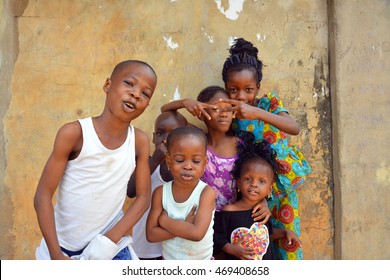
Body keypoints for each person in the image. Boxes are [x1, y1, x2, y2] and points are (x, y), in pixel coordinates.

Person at [33, 60, 157, 260]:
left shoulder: (139, 141)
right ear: (108, 85)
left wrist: (108, 241)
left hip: (110, 248)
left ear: (147, 105)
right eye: (129, 84)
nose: (136, 94)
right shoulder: (75, 134)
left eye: (145, 93)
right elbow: (43, 196)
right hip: (60, 247)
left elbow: (143, 198)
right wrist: (56, 255)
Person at [219, 37, 312, 260]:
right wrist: (260, 198)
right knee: (260, 240)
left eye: (248, 89)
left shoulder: (268, 104)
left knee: (288, 239)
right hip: (256, 188)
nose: (241, 97)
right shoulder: (228, 116)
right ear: (225, 88)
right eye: (233, 90)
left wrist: (257, 113)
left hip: (282, 185)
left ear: (258, 88)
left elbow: (294, 128)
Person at [160, 86, 271, 218]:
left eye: (228, 108)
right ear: (201, 114)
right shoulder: (197, 142)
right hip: (199, 217)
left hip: (231, 218)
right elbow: (165, 112)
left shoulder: (241, 145)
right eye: (215, 108)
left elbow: (255, 178)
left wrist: (263, 201)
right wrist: (185, 102)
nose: (224, 114)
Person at [213, 132, 301, 260]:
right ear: (238, 182)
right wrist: (232, 249)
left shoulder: (263, 212)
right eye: (248, 179)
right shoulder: (229, 211)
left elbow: (266, 234)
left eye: (261, 181)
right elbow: (217, 238)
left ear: (269, 189)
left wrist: (285, 232)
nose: (254, 184)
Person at [146, 126, 216, 260]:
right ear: (169, 161)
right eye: (179, 160)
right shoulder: (161, 193)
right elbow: (151, 235)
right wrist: (185, 225)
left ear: (205, 163)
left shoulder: (206, 193)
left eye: (196, 161)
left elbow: (196, 234)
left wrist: (164, 221)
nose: (188, 166)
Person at [127, 111, 188, 260]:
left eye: (174, 134)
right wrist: (155, 160)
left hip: (176, 249)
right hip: (145, 248)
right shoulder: (145, 164)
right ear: (154, 138)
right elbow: (131, 191)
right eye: (160, 133)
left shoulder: (189, 169)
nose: (165, 140)